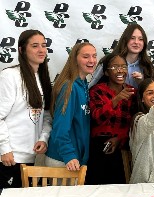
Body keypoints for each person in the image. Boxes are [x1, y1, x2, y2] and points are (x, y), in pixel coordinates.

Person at [0, 29, 52, 188]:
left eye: (43, 45)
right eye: (35, 46)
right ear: (22, 50)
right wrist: (4, 149)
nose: (41, 50)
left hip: (31, 158)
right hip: (10, 158)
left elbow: (47, 115)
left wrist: (43, 138)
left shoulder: (41, 78)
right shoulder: (10, 76)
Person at [45, 42, 97, 171]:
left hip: (74, 159)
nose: (91, 60)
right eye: (86, 56)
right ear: (75, 59)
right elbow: (60, 127)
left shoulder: (83, 85)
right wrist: (68, 154)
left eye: (94, 56)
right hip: (63, 160)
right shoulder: (70, 87)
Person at [86, 53, 136, 184]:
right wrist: (116, 99)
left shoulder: (132, 92)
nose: (120, 70)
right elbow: (96, 117)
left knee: (120, 192)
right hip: (98, 148)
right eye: (115, 67)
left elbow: (135, 123)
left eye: (123, 67)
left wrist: (119, 138)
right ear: (107, 72)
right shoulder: (97, 91)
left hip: (123, 147)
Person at [89, 23, 154, 89]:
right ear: (125, 40)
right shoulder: (109, 61)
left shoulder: (147, 65)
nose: (136, 42)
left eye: (140, 39)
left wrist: (142, 83)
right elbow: (92, 86)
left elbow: (151, 92)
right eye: (132, 38)